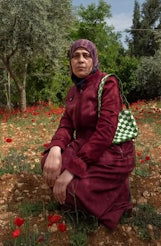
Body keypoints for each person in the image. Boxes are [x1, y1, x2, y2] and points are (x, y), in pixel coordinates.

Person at [41, 39, 135, 229]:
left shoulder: (108, 84)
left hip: (111, 151)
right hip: (84, 147)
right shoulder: (73, 91)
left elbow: (105, 133)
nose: (81, 60)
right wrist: (56, 149)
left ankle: (118, 198)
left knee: (73, 189)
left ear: (94, 60)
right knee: (48, 164)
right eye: (75, 56)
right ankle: (96, 190)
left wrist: (71, 171)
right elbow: (66, 125)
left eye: (86, 55)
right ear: (70, 62)